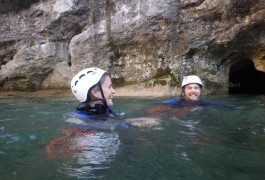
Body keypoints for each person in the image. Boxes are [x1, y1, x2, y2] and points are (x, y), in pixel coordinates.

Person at [148, 75, 234, 117]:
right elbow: (156, 106)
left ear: (200, 91)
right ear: (183, 92)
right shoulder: (175, 102)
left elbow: (223, 106)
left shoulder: (204, 103)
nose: (193, 90)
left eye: (196, 88)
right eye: (189, 88)